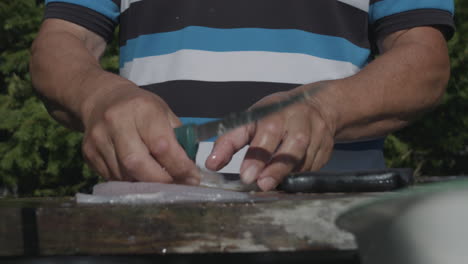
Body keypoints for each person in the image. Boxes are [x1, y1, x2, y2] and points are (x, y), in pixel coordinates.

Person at [30, 0, 455, 191]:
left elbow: (424, 62)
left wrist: (324, 108)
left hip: (331, 223)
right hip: (149, 221)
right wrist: (98, 96)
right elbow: (63, 40)